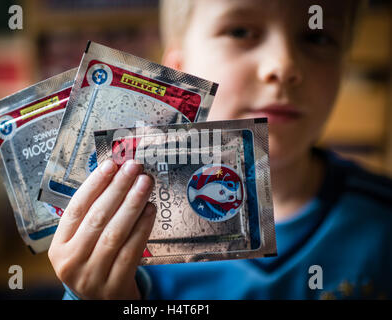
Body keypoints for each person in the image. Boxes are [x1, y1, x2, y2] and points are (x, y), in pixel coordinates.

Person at [48, 0, 392, 299]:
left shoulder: (381, 222)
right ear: (178, 71)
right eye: (241, 31)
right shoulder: (130, 236)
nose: (284, 66)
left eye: (318, 36)